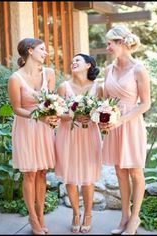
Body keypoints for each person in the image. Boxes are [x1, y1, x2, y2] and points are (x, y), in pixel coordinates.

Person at [100, 25, 151, 235]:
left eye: (109, 43)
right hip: (114, 126)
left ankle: (135, 218)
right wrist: (102, 116)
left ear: (121, 43)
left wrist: (122, 120)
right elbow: (105, 100)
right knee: (120, 172)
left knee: (136, 173)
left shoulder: (138, 69)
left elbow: (145, 103)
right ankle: (124, 217)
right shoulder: (108, 70)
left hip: (131, 125)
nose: (107, 47)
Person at [8, 38, 58, 235]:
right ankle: (33, 218)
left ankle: (41, 215)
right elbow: (16, 108)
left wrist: (52, 116)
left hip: (44, 129)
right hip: (26, 127)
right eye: (42, 49)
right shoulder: (15, 78)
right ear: (30, 51)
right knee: (30, 173)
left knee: (43, 172)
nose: (46, 53)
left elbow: (51, 102)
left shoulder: (49, 73)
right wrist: (40, 117)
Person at [55, 54, 103, 233]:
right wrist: (73, 115)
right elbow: (58, 113)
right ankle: (75, 213)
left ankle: (88, 214)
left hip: (89, 134)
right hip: (68, 134)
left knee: (88, 178)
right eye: (72, 60)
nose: (73, 62)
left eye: (78, 60)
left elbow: (103, 112)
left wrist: (93, 116)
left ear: (88, 65)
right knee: (70, 176)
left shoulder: (98, 88)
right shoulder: (63, 87)